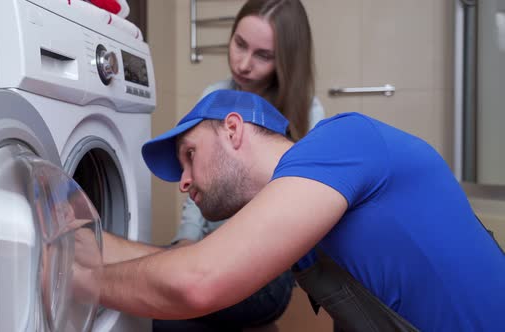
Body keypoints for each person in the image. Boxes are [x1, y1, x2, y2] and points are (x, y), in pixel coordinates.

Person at [79, 89, 505, 331]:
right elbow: (187, 265)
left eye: (189, 154)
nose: (184, 181)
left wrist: (73, 277)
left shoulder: (343, 141)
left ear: (233, 129)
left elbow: (197, 282)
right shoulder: (306, 232)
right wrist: (90, 244)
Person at [155, 0, 324, 330]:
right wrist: (186, 240)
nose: (243, 64)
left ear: (285, 61)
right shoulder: (214, 95)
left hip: (268, 259)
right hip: (213, 249)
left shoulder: (308, 113)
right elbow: (197, 177)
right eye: (239, 44)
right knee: (158, 286)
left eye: (263, 55)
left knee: (161, 310)